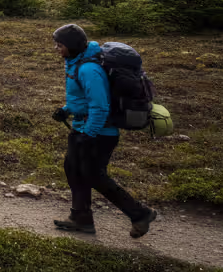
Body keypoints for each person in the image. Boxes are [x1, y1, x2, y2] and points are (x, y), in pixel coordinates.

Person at [52, 23, 157, 238]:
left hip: (99, 132)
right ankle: (81, 218)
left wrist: (89, 135)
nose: (57, 49)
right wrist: (66, 110)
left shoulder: (89, 69)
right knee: (73, 170)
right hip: (83, 127)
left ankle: (140, 213)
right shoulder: (77, 63)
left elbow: (100, 105)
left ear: (71, 46)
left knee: (94, 176)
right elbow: (83, 99)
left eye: (60, 45)